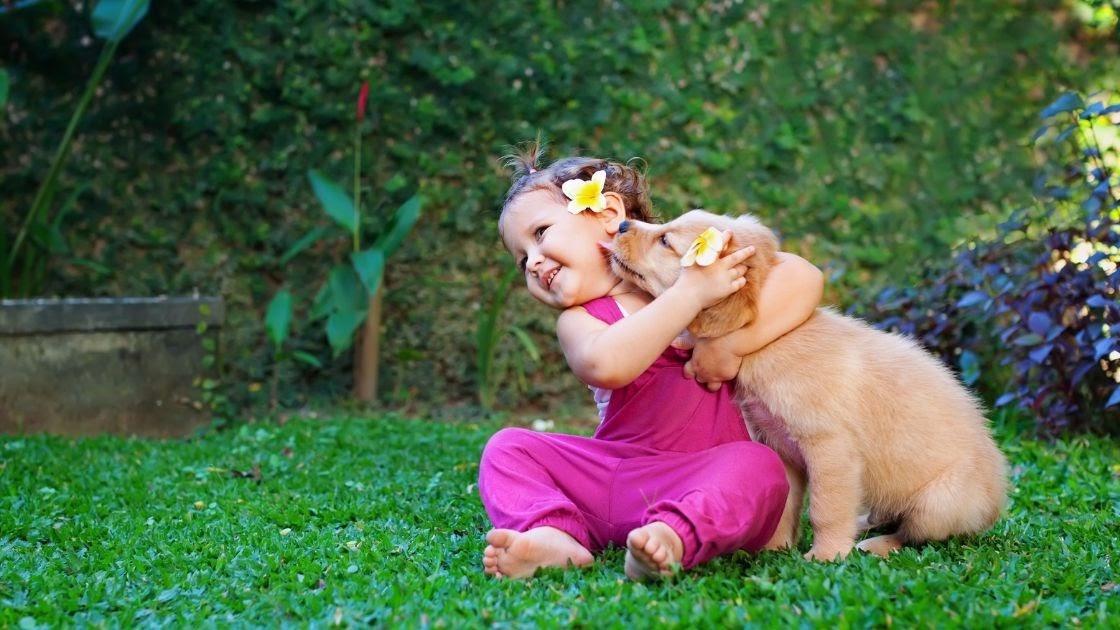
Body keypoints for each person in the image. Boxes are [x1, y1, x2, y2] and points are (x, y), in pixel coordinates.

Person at [479, 146, 823, 580]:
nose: (533, 261)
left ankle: (671, 537)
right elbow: (607, 365)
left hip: (704, 479)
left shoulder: (686, 261)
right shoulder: (581, 320)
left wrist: (731, 345)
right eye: (521, 259)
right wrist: (690, 295)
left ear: (606, 213)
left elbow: (802, 274)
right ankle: (554, 534)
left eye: (541, 233)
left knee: (758, 465)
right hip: (613, 479)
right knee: (507, 448)